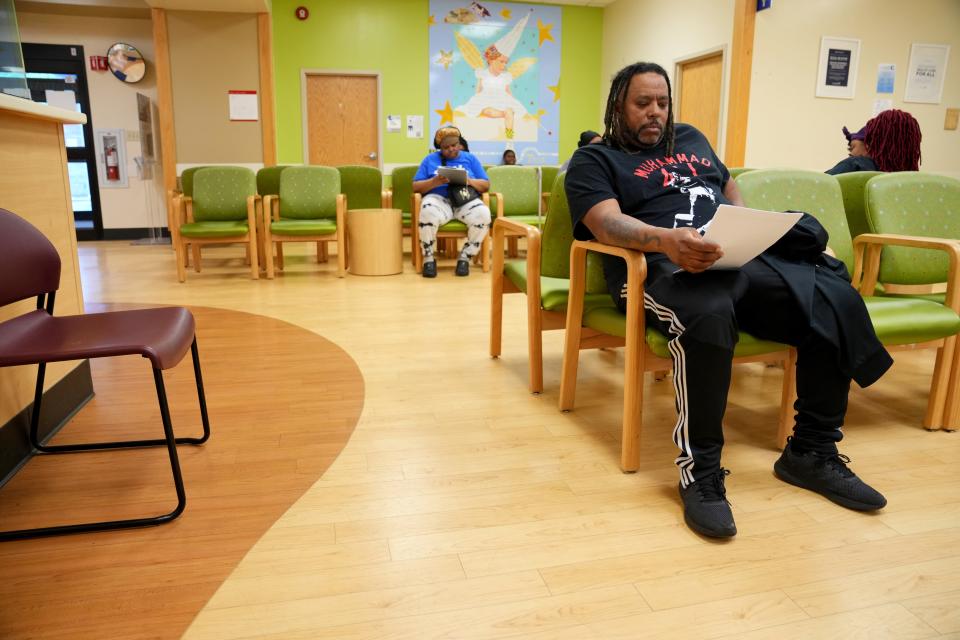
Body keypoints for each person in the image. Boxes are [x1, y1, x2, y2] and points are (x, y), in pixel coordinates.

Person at [566, 62, 892, 538]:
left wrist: (744, 226)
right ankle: (701, 474)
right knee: (709, 316)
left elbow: (725, 185)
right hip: (659, 268)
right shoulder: (596, 161)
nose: (655, 113)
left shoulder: (692, 137)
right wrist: (664, 240)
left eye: (662, 103)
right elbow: (604, 223)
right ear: (618, 106)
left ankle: (812, 452)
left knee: (831, 297)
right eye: (642, 104)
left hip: (732, 256)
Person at [413, 126, 492, 278]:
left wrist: (469, 180)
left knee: (483, 213)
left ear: (459, 143)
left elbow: (486, 185)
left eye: (454, 145)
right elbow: (416, 187)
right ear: (439, 148)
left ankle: (466, 256)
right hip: (438, 200)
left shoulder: (470, 158)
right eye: (446, 147)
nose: (451, 149)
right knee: (427, 209)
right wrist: (434, 181)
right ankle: (428, 257)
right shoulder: (429, 160)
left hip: (464, 199)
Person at [826, 109, 922, 175]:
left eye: (852, 147)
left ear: (869, 145)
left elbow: (816, 184)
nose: (851, 153)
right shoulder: (910, 179)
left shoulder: (855, 164)